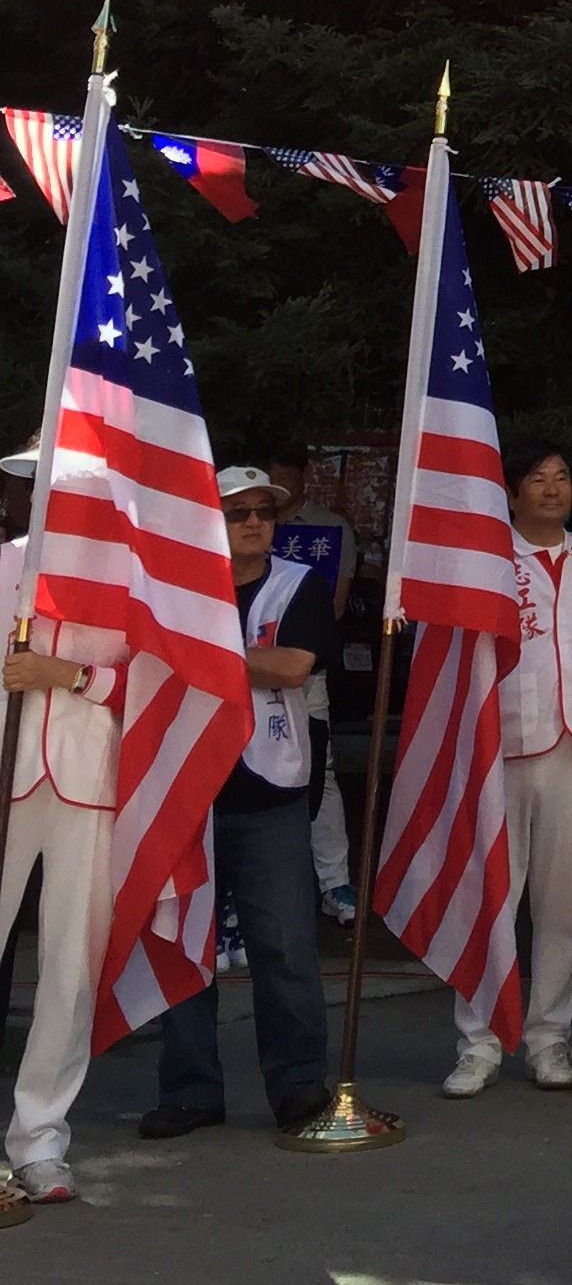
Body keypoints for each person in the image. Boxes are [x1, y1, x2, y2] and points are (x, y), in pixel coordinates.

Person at [444, 438, 572, 1097]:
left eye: (562, 477)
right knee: (493, 902)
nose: (553, 488)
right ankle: (478, 1040)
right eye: (538, 479)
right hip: (499, 750)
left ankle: (549, 1038)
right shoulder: (488, 563)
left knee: (564, 906)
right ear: (512, 493)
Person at [144, 466, 337, 1141]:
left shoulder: (297, 584)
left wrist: (198, 654)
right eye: (238, 513)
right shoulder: (177, 588)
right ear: (210, 520)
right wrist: (236, 657)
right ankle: (191, 1089)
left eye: (263, 511)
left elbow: (293, 667)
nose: (254, 521)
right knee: (185, 944)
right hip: (186, 789)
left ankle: (297, 1082)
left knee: (284, 945)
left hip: (269, 790)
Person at [0, 482, 132, 1203]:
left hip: (92, 782)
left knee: (70, 966)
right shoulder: (4, 563)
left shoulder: (134, 573)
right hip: (4, 772)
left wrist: (75, 676)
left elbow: (160, 682)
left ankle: (40, 1138)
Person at [271, 452, 359, 924]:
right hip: (248, 671)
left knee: (318, 774)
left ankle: (334, 882)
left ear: (304, 476)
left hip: (308, 671)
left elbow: (336, 604)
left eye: (287, 477)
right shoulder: (232, 529)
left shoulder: (330, 529)